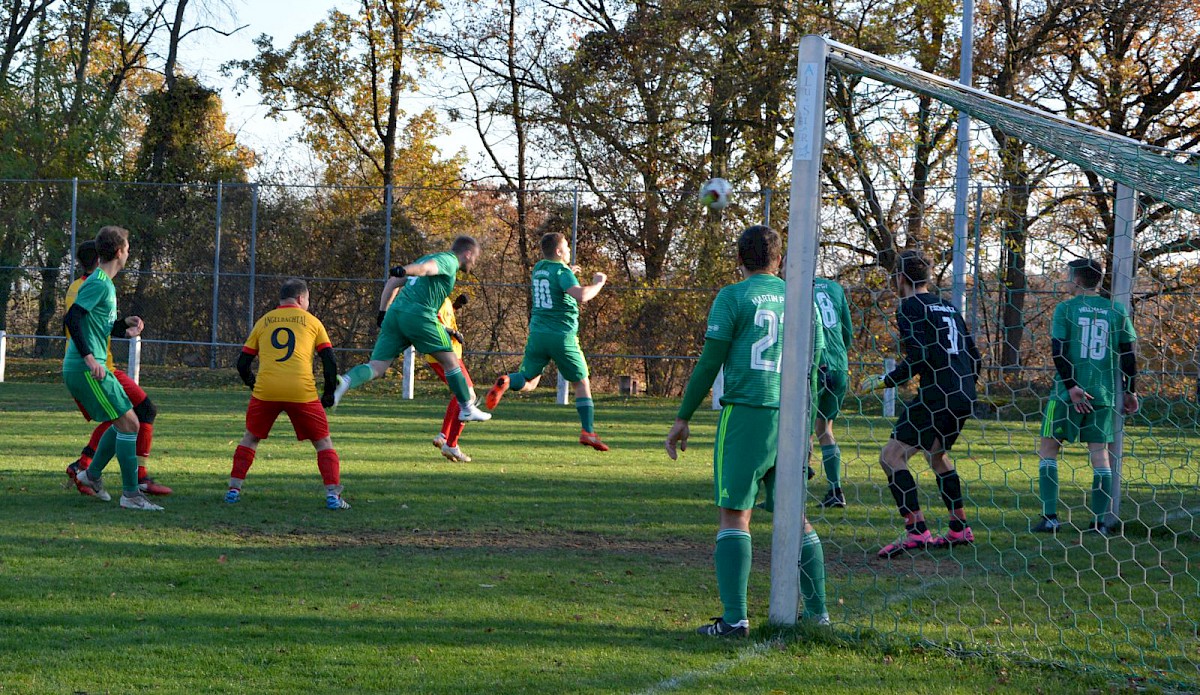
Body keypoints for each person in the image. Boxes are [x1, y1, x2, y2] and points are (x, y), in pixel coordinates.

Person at [665, 225, 828, 637]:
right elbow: (816, 365)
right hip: (791, 417)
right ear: (779, 260)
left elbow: (709, 362)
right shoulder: (803, 301)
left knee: (735, 514)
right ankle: (819, 614)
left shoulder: (733, 297)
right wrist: (810, 424)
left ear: (739, 259)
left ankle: (735, 619)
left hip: (745, 415)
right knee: (796, 516)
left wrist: (683, 416)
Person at [860, 249, 981, 558]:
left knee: (890, 456)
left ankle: (916, 531)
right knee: (936, 456)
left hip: (937, 393)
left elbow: (919, 355)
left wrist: (887, 380)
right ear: (927, 277)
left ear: (900, 278)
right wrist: (965, 386)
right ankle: (959, 528)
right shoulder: (948, 306)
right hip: (964, 392)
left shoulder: (910, 306)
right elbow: (975, 356)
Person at [332, 235, 490, 423]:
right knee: (451, 362)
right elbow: (425, 269)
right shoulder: (448, 260)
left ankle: (345, 382)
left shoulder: (427, 256)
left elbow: (394, 281)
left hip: (395, 314)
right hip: (419, 315)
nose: (474, 263)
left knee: (377, 366)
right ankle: (467, 408)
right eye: (475, 258)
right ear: (468, 254)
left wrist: (382, 312)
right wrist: (404, 269)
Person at [1032, 258, 1138, 535]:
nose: (1066, 281)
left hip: (1066, 394)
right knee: (1100, 454)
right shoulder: (1116, 310)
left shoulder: (1066, 308)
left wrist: (1071, 386)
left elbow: (1058, 351)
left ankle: (1050, 518)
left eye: (1068, 276)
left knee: (1048, 449)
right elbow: (1128, 354)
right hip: (1103, 392)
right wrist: (1130, 390)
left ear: (1077, 280)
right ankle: (1099, 523)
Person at [61, 226, 163, 510]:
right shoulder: (99, 283)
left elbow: (95, 325)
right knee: (130, 424)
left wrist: (123, 327)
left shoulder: (104, 283)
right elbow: (72, 319)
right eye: (127, 248)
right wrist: (90, 359)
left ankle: (91, 475)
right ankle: (131, 495)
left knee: (125, 422)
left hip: (91, 367)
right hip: (87, 369)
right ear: (119, 252)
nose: (129, 253)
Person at [227, 278, 349, 510]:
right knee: (323, 442)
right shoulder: (312, 322)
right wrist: (328, 392)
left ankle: (233, 490)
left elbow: (243, 363)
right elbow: (329, 361)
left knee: (250, 438)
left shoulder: (264, 321)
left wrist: (254, 384)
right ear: (301, 299)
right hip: (301, 392)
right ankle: (333, 495)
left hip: (266, 391)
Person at [484, 232, 609, 451]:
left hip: (538, 334)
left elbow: (554, 282)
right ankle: (588, 432)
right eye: (566, 247)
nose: (569, 251)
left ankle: (507, 381)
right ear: (559, 251)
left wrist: (568, 272)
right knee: (581, 383)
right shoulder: (562, 272)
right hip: (561, 335)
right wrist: (598, 283)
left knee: (529, 381)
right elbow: (581, 296)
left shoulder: (539, 268)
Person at [813, 276, 854, 508]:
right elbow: (847, 331)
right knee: (824, 428)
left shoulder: (794, 288)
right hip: (839, 365)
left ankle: (793, 487)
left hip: (813, 364)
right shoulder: (835, 288)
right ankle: (835, 490)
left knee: (800, 429)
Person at [426, 294, 473, 462]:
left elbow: (442, 315)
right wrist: (452, 332)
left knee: (462, 395)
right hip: (444, 354)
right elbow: (431, 322)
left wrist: (455, 306)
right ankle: (450, 443)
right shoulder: (433, 294)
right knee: (466, 394)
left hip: (450, 354)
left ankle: (445, 437)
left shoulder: (442, 295)